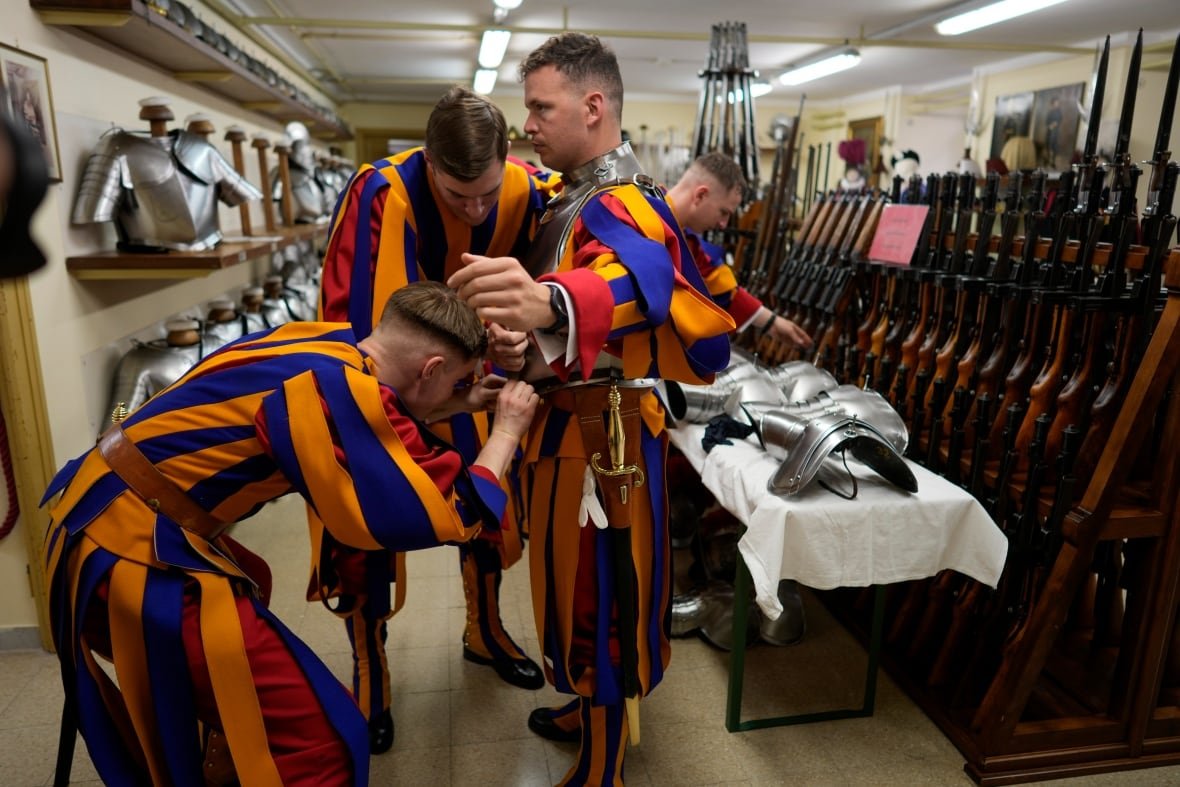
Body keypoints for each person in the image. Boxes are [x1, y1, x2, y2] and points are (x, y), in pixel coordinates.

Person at [41, 282, 539, 786]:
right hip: (133, 555)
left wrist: (458, 402)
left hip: (95, 518)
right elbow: (445, 513)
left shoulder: (318, 343)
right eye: (456, 379)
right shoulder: (334, 392)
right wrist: (506, 432)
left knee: (250, 598)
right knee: (324, 739)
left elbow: (375, 416)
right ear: (431, 368)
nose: (458, 388)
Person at [448, 32, 736, 785]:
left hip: (601, 444)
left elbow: (641, 285)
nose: (529, 124)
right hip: (565, 430)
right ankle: (583, 703)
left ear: (594, 104)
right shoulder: (569, 197)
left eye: (541, 108)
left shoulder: (623, 201)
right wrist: (520, 346)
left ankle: (604, 763)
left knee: (600, 591)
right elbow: (564, 330)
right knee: (565, 584)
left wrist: (548, 299)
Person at [318, 85, 552, 754]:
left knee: (484, 507)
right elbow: (376, 326)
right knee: (365, 522)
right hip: (380, 382)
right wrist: (484, 348)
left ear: (509, 159)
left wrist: (517, 342)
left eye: (486, 193)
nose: (476, 209)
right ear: (428, 162)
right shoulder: (381, 191)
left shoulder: (529, 191)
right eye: (457, 198)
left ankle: (484, 631)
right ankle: (371, 666)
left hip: (471, 376)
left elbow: (541, 295)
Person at [664, 151, 811, 349]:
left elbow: (717, 283)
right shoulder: (640, 219)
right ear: (700, 195)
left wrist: (772, 322)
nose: (723, 224)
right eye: (723, 212)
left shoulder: (684, 238)